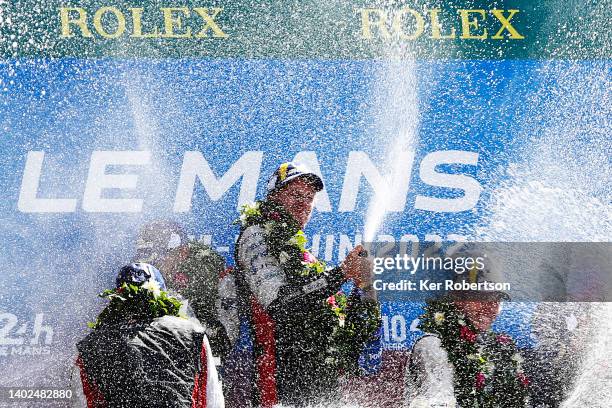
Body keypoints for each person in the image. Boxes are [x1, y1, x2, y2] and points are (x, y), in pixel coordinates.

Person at [231, 162, 380, 407]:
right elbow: (280, 303)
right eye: (295, 195)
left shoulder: (304, 255)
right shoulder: (256, 234)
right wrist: (341, 273)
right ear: (273, 197)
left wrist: (363, 284)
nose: (303, 204)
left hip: (320, 381)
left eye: (309, 198)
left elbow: (337, 323)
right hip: (279, 380)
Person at [74, 262, 224, 408]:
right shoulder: (191, 332)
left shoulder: (93, 344)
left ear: (117, 299)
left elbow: (82, 400)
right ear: (162, 295)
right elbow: (212, 397)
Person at [404, 249, 529, 408]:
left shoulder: (495, 347)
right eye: (482, 297)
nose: (490, 308)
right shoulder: (433, 346)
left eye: (496, 299)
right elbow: (439, 403)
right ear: (456, 296)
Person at [133, 220, 231, 360]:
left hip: (204, 332)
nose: (155, 262)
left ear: (182, 252)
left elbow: (207, 320)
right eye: (150, 256)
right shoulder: (142, 267)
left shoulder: (202, 267)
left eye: (161, 256)